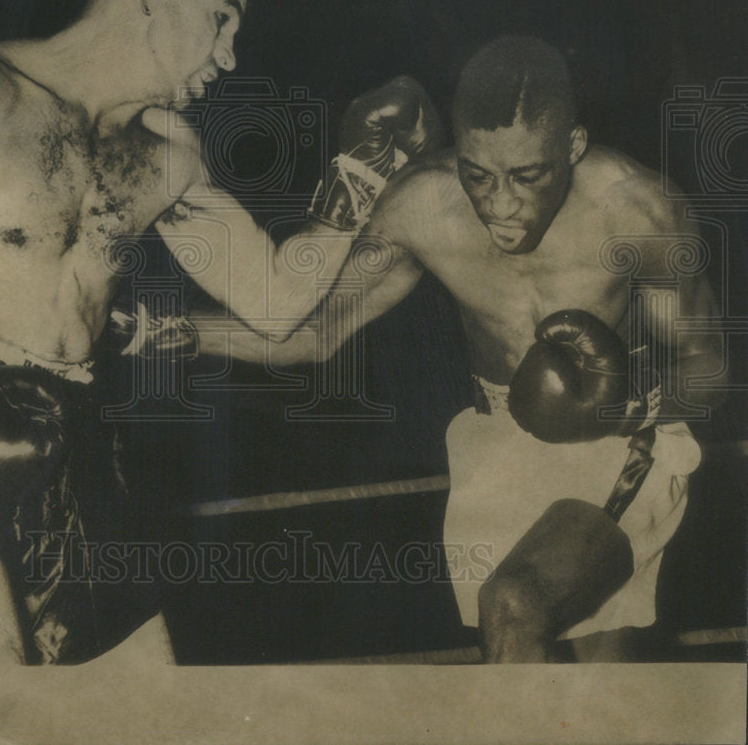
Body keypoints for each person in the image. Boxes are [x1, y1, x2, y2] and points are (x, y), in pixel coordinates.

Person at [0, 0, 440, 666]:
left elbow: (278, 303)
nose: (230, 55)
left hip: (78, 438)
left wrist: (360, 175)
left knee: (142, 702)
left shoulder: (167, 155)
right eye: (222, 18)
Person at [187, 35, 727, 662]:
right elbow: (313, 333)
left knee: (514, 605)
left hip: (619, 442)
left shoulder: (637, 210)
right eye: (478, 174)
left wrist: (615, 409)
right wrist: (160, 330)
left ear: (573, 145)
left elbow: (710, 369)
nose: (500, 202)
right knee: (585, 690)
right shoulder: (422, 205)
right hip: (495, 451)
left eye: (527, 175)